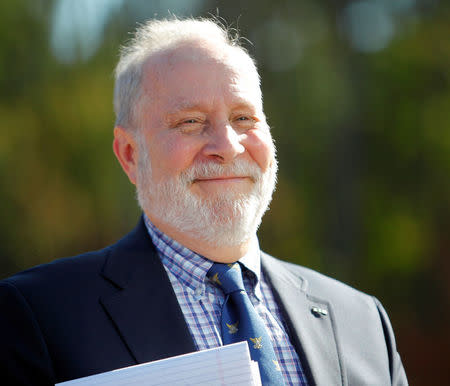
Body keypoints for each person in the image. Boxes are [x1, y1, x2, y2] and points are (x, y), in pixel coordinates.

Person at [0, 17, 407, 385]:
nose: (227, 146)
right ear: (129, 154)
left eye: (244, 118)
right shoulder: (39, 318)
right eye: (191, 122)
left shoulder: (363, 322)